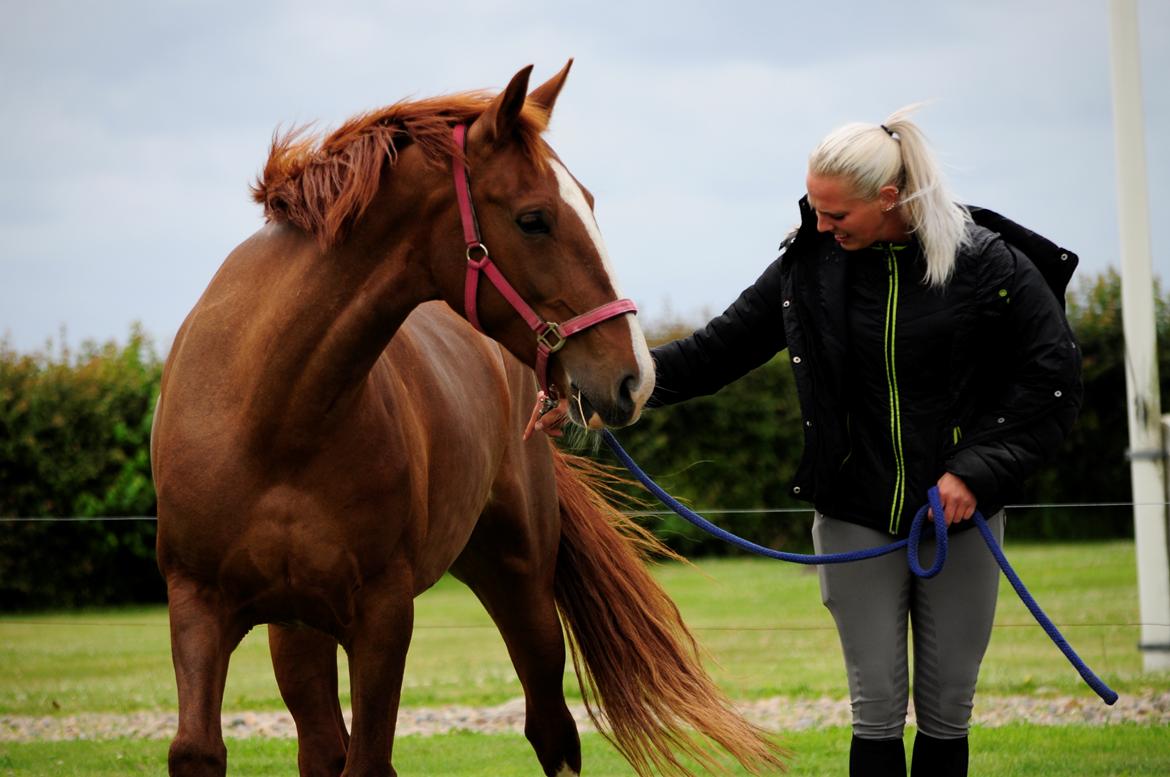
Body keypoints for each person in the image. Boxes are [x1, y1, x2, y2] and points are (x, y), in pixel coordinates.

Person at [527, 105, 1082, 776]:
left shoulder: (988, 264)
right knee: (875, 705)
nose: (820, 226)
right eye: (816, 210)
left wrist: (976, 472)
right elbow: (717, 350)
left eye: (836, 215)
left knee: (947, 710)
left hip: (962, 519)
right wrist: (590, 398)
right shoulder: (807, 265)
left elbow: (1051, 381)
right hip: (852, 513)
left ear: (888, 198)